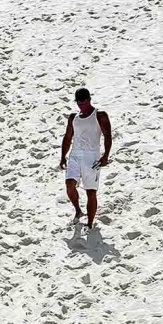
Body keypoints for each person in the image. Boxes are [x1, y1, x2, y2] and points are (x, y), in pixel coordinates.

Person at [59, 87, 113, 226]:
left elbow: (107, 136)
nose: (82, 106)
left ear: (89, 100)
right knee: (69, 185)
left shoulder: (100, 116)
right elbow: (68, 137)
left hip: (92, 157)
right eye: (79, 104)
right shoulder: (73, 118)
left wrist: (105, 155)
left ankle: (90, 223)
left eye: (84, 103)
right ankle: (78, 210)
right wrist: (62, 156)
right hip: (75, 155)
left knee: (90, 191)